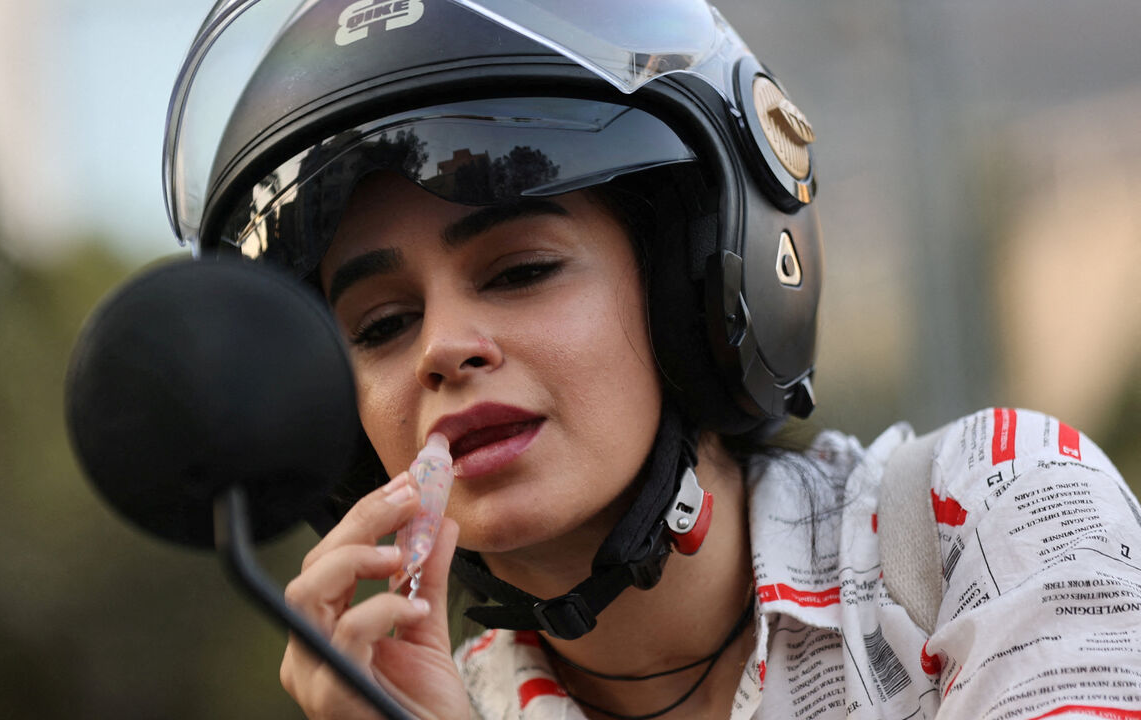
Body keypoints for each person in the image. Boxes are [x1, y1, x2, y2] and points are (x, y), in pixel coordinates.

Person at [161, 1, 1141, 718]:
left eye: (521, 269)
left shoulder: (987, 516)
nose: (443, 348)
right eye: (378, 326)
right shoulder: (429, 710)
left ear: (698, 294)